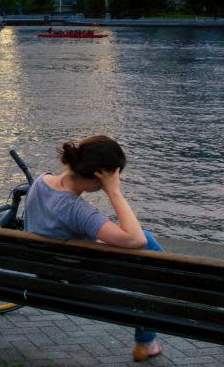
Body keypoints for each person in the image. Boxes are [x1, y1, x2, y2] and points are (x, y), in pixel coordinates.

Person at [23, 135, 163, 362]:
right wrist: (114, 192)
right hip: (75, 282)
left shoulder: (40, 182)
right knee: (148, 252)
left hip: (44, 273)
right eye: (115, 177)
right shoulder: (76, 210)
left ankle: (149, 337)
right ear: (101, 177)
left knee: (146, 256)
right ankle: (149, 336)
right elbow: (136, 240)